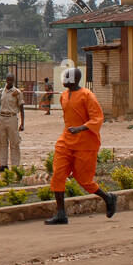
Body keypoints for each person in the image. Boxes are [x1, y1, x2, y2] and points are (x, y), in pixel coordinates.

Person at [46, 68, 116, 225]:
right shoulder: (64, 96)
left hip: (85, 143)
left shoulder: (87, 95)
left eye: (68, 77)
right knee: (58, 173)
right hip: (66, 140)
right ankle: (61, 214)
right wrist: (72, 129)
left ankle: (108, 197)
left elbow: (97, 118)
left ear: (76, 79)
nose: (64, 79)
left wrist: (80, 128)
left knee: (84, 179)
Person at [0, 73, 25, 171]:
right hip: (2, 118)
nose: (9, 82)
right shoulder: (2, 91)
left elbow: (21, 108)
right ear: (6, 80)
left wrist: (22, 124)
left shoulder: (17, 92)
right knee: (1, 142)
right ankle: (3, 165)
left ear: (13, 81)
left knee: (14, 143)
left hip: (12, 118)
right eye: (8, 80)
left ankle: (15, 166)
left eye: (11, 80)